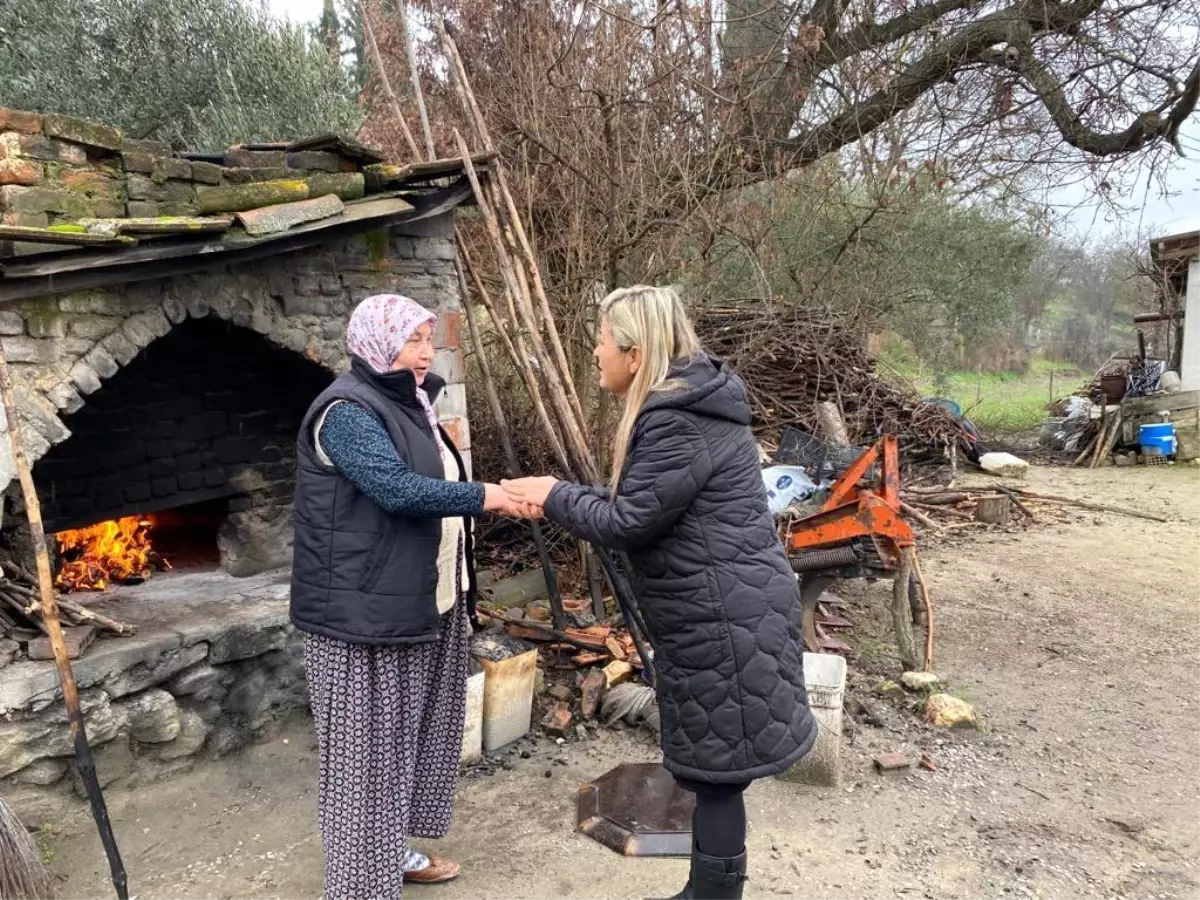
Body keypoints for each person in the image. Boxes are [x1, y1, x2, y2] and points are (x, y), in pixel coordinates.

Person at [503, 285, 817, 900]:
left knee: (718, 772)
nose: (594, 352)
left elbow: (627, 524)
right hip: (725, 612)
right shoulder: (689, 408)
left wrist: (551, 493)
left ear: (636, 354)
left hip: (723, 621)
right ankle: (704, 890)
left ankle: (713, 896)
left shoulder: (675, 420)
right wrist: (563, 492)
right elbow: (638, 505)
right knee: (713, 767)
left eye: (601, 341)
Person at [289, 293, 532, 900]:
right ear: (374, 343)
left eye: (429, 339)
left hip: (423, 604)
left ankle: (389, 855)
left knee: (412, 743)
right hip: (360, 618)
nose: (425, 353)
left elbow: (430, 462)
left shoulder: (411, 401)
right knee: (364, 764)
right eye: (412, 340)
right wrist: (491, 496)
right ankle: (356, 888)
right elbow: (394, 489)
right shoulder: (345, 411)